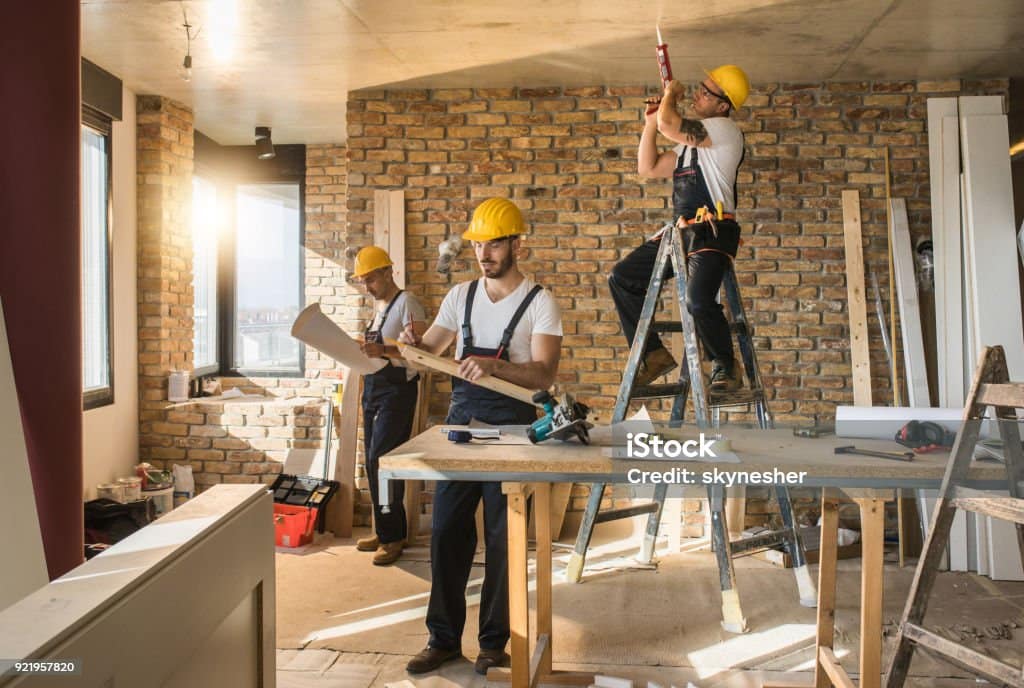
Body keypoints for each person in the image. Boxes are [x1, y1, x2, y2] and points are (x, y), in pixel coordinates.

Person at [398, 197, 562, 675]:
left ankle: (494, 642)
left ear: (516, 243)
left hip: (514, 430)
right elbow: (429, 351)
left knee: (503, 539)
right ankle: (442, 639)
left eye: (494, 243)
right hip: (462, 428)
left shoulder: (540, 303)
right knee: (447, 532)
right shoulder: (460, 297)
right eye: (478, 245)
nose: (484, 253)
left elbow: (544, 376)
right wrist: (412, 346)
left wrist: (498, 366)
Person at [609, 64, 750, 392]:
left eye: (706, 92)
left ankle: (726, 366)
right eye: (700, 88)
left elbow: (670, 124)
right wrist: (649, 124)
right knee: (622, 278)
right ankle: (654, 355)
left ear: (723, 106)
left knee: (698, 301)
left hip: (713, 230)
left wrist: (671, 95)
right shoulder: (690, 144)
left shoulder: (724, 131)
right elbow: (649, 167)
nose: (698, 95)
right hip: (681, 233)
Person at [352, 246, 426, 565]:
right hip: (374, 388)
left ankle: (395, 537)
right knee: (371, 462)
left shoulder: (407, 303)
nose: (367, 287)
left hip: (397, 391)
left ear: (387, 272)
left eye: (371, 279)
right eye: (363, 281)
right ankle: (384, 531)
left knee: (384, 462)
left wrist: (381, 349)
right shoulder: (380, 306)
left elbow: (420, 354)